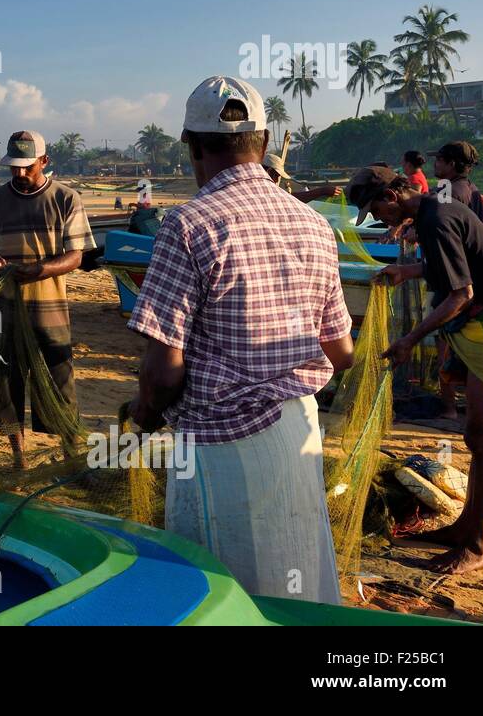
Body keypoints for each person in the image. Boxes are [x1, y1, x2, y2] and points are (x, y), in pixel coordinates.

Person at [127, 77, 354, 605]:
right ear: (266, 141)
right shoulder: (314, 224)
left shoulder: (187, 224)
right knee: (297, 568)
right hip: (299, 427)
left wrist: (144, 412)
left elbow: (164, 371)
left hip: (219, 444)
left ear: (192, 146)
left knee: (223, 588)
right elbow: (342, 352)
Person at [352, 165, 483, 575]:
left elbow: (461, 293)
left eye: (376, 210)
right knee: (477, 436)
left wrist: (408, 340)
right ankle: (464, 528)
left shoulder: (435, 219)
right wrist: (408, 271)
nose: (380, 220)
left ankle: (474, 545)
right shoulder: (434, 210)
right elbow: (456, 270)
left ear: (392, 196)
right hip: (480, 323)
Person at [0, 130, 94, 469]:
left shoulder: (66, 198)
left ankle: (72, 457)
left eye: (28, 167)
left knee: (60, 383)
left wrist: (40, 270)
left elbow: (76, 256)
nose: (20, 175)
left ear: (44, 161)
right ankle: (19, 459)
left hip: (50, 310)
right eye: (14, 168)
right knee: (5, 382)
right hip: (3, 311)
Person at [261, 154, 342, 203]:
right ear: (269, 171)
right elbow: (290, 199)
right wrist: (322, 191)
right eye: (277, 176)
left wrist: (322, 191)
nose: (276, 180)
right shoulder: (262, 189)